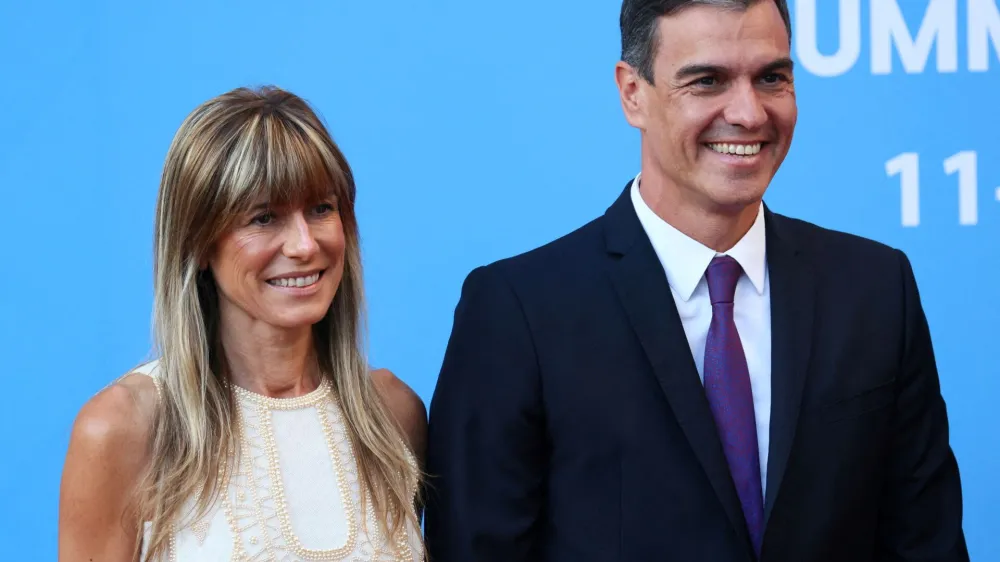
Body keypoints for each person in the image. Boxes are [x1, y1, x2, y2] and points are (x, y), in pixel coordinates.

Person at [423, 0, 968, 560]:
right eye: (707, 81)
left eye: (771, 78)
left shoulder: (875, 288)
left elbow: (926, 541)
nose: (750, 113)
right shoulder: (519, 311)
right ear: (633, 93)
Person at [58, 86, 427, 561]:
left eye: (321, 209)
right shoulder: (123, 427)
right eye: (264, 217)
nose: (303, 245)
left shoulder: (393, 415)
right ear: (198, 243)